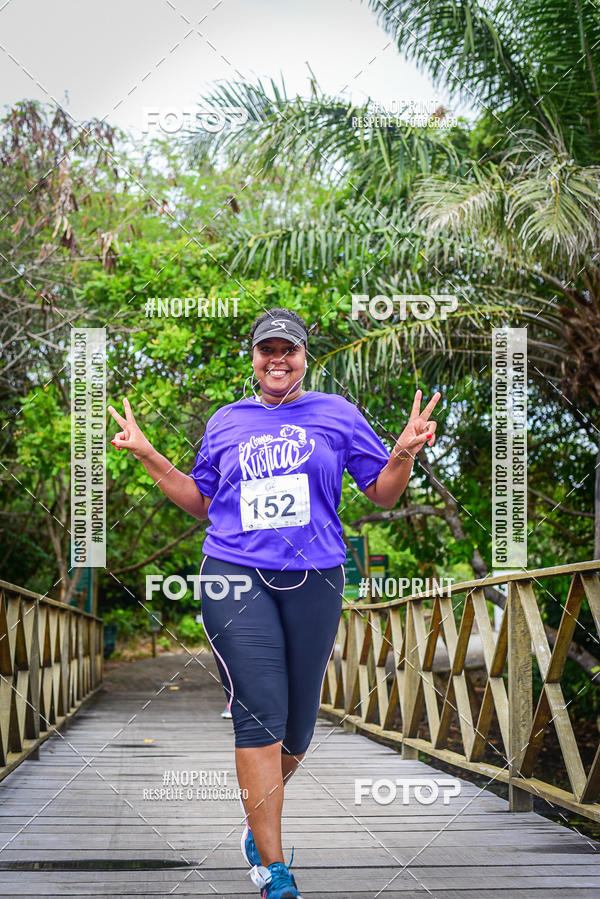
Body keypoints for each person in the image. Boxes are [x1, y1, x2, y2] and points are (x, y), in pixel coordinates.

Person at [108, 307, 440, 899]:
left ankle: (255, 818)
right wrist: (147, 454)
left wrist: (405, 452)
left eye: (289, 349)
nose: (278, 359)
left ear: (305, 356)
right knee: (258, 710)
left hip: (315, 576)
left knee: (298, 728)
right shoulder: (227, 421)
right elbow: (203, 502)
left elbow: (383, 495)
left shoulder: (336, 415)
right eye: (268, 350)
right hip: (233, 574)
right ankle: (273, 867)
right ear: (255, 359)